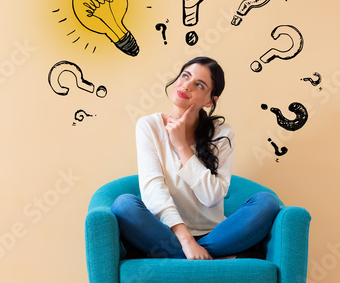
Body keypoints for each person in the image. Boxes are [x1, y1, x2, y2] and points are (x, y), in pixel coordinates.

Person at [111, 57, 280, 260]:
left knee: (266, 202)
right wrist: (187, 241)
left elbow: (211, 197)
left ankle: (188, 257)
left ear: (210, 100)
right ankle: (204, 255)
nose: (186, 85)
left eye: (199, 85)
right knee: (124, 205)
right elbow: (153, 190)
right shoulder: (148, 126)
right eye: (185, 76)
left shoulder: (222, 133)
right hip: (166, 233)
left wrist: (181, 146)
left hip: (216, 234)